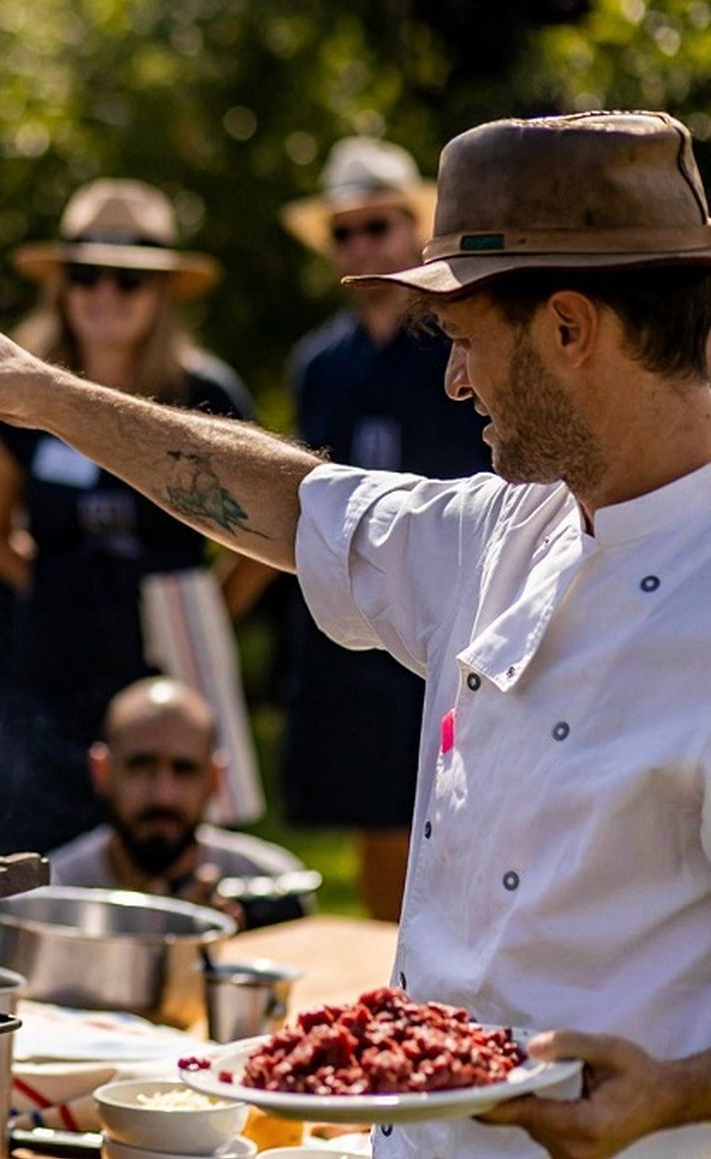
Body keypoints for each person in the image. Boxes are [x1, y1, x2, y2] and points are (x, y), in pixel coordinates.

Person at [0, 110, 711, 1158]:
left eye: (466, 343)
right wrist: (47, 396)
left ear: (571, 328)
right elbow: (287, 501)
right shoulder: (511, 521)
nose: (456, 383)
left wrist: (674, 1090)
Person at [0, 178, 263, 856]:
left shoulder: (204, 393)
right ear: (62, 288)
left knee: (171, 855)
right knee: (29, 859)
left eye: (128, 281)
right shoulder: (23, 391)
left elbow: (264, 535)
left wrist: (202, 611)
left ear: (160, 295)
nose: (103, 295)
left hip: (168, 653)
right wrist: (57, 593)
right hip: (53, 665)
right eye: (86, 276)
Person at [277, 137, 490, 922]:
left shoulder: (462, 338)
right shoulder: (319, 364)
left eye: (379, 227)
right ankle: (385, 981)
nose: (362, 246)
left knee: (465, 802)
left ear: (414, 229)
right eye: (345, 232)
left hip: (458, 591)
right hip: (358, 598)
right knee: (373, 809)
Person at [47, 676, 308, 928]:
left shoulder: (274, 885)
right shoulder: (52, 897)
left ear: (215, 778)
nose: (163, 794)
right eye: (141, 767)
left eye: (184, 770)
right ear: (102, 771)